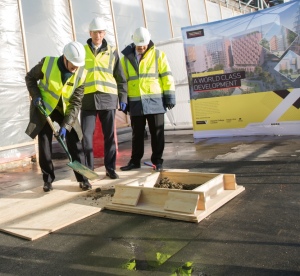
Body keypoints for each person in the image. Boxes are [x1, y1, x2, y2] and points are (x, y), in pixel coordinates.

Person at [25, 41, 92, 192]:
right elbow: (30, 77)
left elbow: (76, 103)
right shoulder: (47, 63)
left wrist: (66, 126)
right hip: (45, 107)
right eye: (73, 64)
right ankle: (48, 180)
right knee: (44, 143)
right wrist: (35, 95)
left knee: (75, 140)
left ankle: (83, 178)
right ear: (65, 58)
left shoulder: (81, 74)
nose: (75, 68)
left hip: (66, 110)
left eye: (78, 65)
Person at [120, 27, 176, 172]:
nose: (142, 47)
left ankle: (157, 161)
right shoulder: (125, 59)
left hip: (155, 100)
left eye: (144, 44)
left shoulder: (158, 55)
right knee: (137, 134)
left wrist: (169, 96)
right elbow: (122, 81)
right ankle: (135, 161)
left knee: (157, 133)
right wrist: (123, 100)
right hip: (136, 102)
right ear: (134, 43)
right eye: (139, 45)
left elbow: (167, 76)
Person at [81, 17, 127, 179]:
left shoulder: (112, 51)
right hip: (87, 99)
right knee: (86, 137)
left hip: (108, 98)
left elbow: (120, 77)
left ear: (104, 33)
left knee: (109, 137)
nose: (97, 35)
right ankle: (87, 172)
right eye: (95, 32)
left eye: (100, 32)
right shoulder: (82, 50)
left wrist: (123, 97)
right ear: (90, 33)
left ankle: (110, 169)